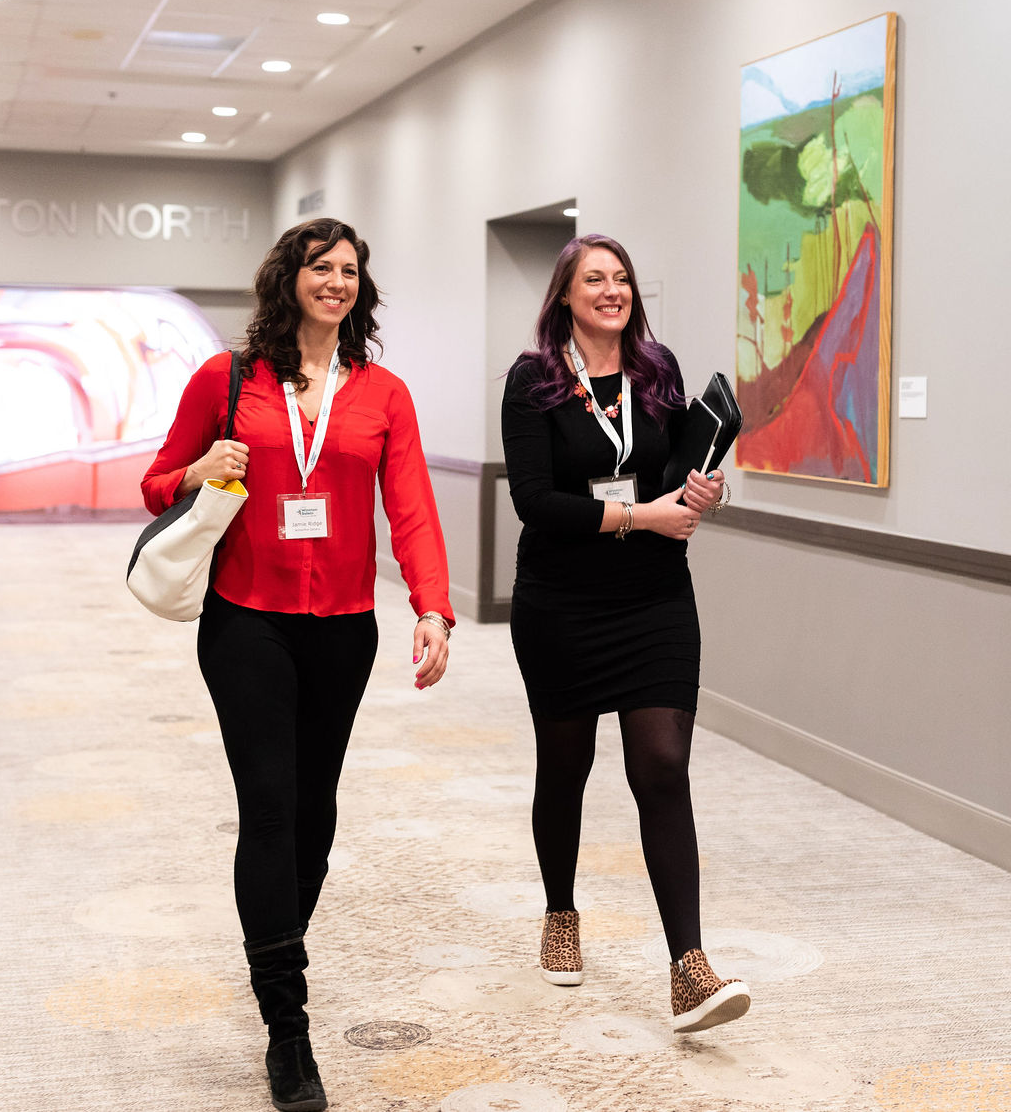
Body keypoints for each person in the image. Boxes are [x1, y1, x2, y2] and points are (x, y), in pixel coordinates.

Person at [142, 218, 453, 1112]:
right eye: (322, 266)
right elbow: (158, 482)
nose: (338, 281)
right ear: (289, 278)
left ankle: (273, 941)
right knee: (269, 807)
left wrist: (431, 606)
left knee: (314, 814)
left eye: (351, 270)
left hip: (343, 626)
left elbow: (415, 509)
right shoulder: (226, 378)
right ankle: (288, 1025)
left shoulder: (383, 394)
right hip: (247, 622)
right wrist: (202, 466)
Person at [499, 234, 747, 1034]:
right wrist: (640, 514)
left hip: (652, 599)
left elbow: (674, 469)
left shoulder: (657, 369)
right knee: (565, 765)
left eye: (622, 278)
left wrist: (701, 490)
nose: (612, 290)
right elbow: (534, 500)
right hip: (562, 603)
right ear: (565, 296)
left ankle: (689, 968)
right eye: (594, 279)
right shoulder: (533, 380)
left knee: (663, 763)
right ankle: (560, 912)